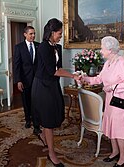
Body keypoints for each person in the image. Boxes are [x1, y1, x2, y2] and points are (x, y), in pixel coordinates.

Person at [31, 18, 80, 167]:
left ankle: (42, 134)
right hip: (42, 86)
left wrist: (73, 74)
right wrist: (73, 76)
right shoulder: (43, 47)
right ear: (52, 33)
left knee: (56, 114)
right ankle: (52, 153)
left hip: (52, 85)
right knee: (48, 120)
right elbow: (53, 71)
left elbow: (59, 68)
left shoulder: (57, 47)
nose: (61, 36)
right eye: (59, 33)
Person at [81, 36, 124, 167]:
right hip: (110, 99)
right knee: (111, 126)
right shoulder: (108, 63)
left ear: (110, 49)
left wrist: (111, 87)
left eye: (102, 48)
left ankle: (123, 157)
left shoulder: (121, 62)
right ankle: (115, 151)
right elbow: (99, 79)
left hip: (121, 100)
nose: (101, 50)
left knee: (119, 128)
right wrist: (85, 78)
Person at [13, 26, 41, 135]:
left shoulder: (39, 46)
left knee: (37, 102)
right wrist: (18, 81)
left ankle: (37, 123)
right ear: (25, 34)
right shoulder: (19, 47)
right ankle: (28, 120)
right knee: (27, 102)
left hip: (37, 80)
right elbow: (16, 66)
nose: (33, 36)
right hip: (25, 80)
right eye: (31, 34)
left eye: (34, 33)